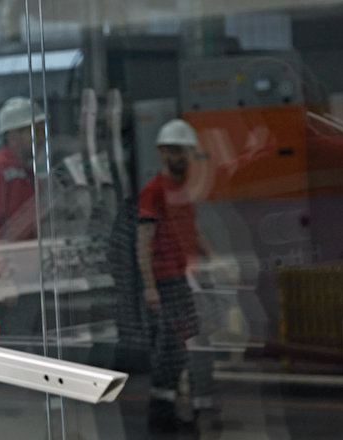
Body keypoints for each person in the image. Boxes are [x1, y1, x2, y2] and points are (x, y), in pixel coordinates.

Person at [136, 119, 215, 433]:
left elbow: (192, 230)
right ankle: (161, 419)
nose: (186, 158)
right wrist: (150, 287)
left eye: (188, 152)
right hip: (166, 282)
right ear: (164, 153)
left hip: (183, 280)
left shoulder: (181, 189)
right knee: (170, 350)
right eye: (180, 152)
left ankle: (179, 409)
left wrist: (214, 261)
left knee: (185, 344)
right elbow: (143, 241)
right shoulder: (154, 191)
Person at [0, 96, 45, 242]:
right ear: (13, 135)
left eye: (41, 131)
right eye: (35, 132)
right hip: (8, 257)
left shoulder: (27, 171)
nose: (41, 138)